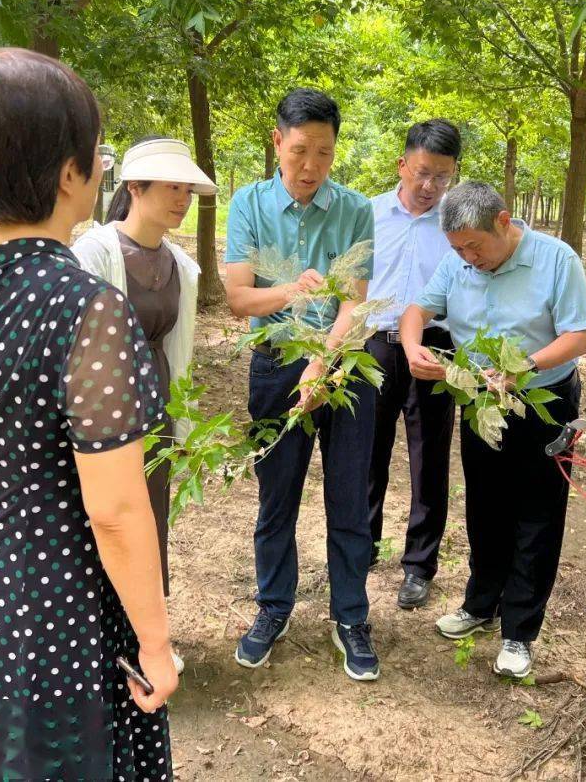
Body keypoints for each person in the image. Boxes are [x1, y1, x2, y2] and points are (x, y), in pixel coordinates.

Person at [0, 48, 177, 779]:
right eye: (96, 151)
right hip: (65, 598)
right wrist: (155, 641)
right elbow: (116, 508)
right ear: (69, 173)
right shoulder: (87, 308)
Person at [400, 181, 586, 679]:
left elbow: (579, 336)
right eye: (457, 249)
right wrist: (412, 346)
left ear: (504, 223)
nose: (467, 258)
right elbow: (419, 309)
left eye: (474, 247)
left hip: (541, 401)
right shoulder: (458, 261)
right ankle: (480, 604)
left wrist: (522, 368)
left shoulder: (556, 260)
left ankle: (519, 630)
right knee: (485, 504)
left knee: (538, 513)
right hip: (482, 402)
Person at [224, 88, 380, 681]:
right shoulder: (249, 205)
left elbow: (355, 305)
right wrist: (292, 292)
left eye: (323, 152)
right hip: (273, 363)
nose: (310, 166)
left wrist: (322, 360)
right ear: (277, 144)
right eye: (298, 152)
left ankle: (351, 617)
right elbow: (240, 297)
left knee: (348, 498)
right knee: (277, 495)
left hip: (343, 368)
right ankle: (273, 608)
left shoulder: (356, 210)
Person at [73, 137, 212, 610]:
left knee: (150, 515)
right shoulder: (93, 253)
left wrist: (185, 421)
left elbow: (181, 349)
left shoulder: (183, 267)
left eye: (188, 191)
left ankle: (141, 628)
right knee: (100, 514)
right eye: (173, 187)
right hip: (102, 408)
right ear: (135, 186)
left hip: (156, 407)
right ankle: (94, 628)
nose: (182, 200)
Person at [365, 119, 461, 609]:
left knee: (429, 459)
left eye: (441, 177)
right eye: (422, 173)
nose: (429, 187)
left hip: (435, 347)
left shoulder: (456, 223)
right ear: (402, 164)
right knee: (368, 453)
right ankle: (360, 549)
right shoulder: (367, 214)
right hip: (376, 345)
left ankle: (420, 566)